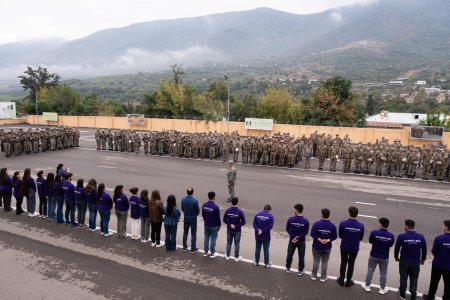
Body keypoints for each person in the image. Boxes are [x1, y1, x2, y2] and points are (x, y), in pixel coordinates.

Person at [394, 219, 427, 300]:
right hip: (415, 262)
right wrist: (423, 259)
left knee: (403, 277)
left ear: (406, 226)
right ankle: (413, 295)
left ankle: (402, 294)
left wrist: (396, 257)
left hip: (404, 261)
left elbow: (397, 248)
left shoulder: (402, 236)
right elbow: (424, 249)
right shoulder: (421, 236)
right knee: (414, 278)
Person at [361, 217, 395, 295]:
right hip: (384, 256)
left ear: (380, 224)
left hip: (374, 254)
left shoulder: (374, 232)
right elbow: (390, 244)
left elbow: (370, 241)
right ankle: (382, 289)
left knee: (370, 270)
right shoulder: (391, 235)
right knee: (383, 273)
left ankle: (367, 286)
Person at [337, 206, 365, 287]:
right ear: (357, 214)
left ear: (349, 213)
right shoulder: (361, 226)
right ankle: (348, 281)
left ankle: (341, 280)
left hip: (344, 246)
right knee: (351, 263)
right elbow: (361, 237)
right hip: (354, 247)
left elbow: (341, 235)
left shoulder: (343, 223)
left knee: (343, 262)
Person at [423, 220, 450, 300]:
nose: (443, 227)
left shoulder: (439, 238)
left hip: (437, 265)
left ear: (446, 227)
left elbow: (434, 251)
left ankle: (430, 297)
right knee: (448, 285)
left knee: (434, 282)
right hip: (449, 267)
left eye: (444, 225)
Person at [310, 208, 337, 282]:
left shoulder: (316, 224)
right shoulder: (332, 226)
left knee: (316, 261)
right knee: (325, 262)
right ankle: (323, 277)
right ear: (329, 215)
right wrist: (327, 240)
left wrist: (320, 240)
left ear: (322, 215)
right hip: (327, 247)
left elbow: (312, 234)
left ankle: (314, 275)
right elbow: (334, 236)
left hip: (317, 246)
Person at [285, 203, 310, 275]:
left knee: (290, 254)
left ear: (297, 210)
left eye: (294, 209)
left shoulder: (291, 219)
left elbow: (287, 229)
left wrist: (294, 237)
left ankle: (288, 268)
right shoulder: (306, 221)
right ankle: (300, 271)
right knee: (301, 255)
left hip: (292, 240)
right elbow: (305, 232)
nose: (294, 210)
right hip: (301, 241)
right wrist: (298, 237)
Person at [223, 196, 246, 261]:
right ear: (237, 202)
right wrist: (236, 226)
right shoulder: (240, 211)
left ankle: (227, 256)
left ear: (231, 202)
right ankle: (236, 257)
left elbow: (224, 219)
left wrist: (230, 225)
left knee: (228, 243)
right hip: (237, 230)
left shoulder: (228, 210)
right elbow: (244, 221)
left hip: (229, 229)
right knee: (237, 243)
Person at [202, 191, 221, 258]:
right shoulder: (216, 207)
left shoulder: (204, 205)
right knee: (213, 239)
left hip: (206, 224)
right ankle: (212, 253)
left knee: (206, 238)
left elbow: (203, 215)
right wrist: (219, 225)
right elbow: (218, 217)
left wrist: (205, 221)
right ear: (214, 197)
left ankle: (205, 252)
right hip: (214, 225)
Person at [181, 187, 200, 252]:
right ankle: (193, 248)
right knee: (193, 233)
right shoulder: (195, 200)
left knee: (185, 232)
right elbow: (197, 211)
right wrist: (194, 215)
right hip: (193, 218)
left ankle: (184, 247)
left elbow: (182, 208)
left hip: (186, 217)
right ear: (192, 192)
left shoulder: (183, 199)